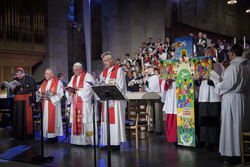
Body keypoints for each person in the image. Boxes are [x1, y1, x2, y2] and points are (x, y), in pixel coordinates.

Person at [215, 44, 250, 162]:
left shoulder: (232, 67)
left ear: (232, 53)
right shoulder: (245, 67)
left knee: (231, 125)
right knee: (240, 124)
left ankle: (232, 153)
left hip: (232, 99)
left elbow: (227, 85)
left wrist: (217, 84)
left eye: (229, 53)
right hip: (242, 99)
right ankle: (241, 150)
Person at [193, 46, 225, 150]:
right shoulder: (200, 66)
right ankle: (202, 140)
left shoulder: (218, 65)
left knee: (212, 119)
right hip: (203, 96)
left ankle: (212, 141)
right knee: (203, 119)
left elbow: (220, 80)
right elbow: (198, 83)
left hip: (213, 96)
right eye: (206, 53)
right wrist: (197, 79)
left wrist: (209, 78)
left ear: (213, 54)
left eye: (209, 53)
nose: (207, 55)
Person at [65, 62, 98, 146]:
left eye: (75, 70)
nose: (74, 72)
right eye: (73, 70)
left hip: (85, 105)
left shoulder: (88, 77)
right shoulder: (73, 77)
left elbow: (89, 91)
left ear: (80, 69)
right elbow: (69, 88)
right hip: (75, 104)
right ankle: (77, 141)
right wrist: (69, 92)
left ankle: (87, 141)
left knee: (86, 122)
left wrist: (77, 91)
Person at [100, 51, 127, 151]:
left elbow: (120, 86)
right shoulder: (104, 72)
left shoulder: (119, 71)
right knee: (106, 121)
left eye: (106, 60)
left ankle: (115, 144)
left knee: (114, 122)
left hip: (115, 102)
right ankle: (108, 143)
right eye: (103, 61)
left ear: (111, 60)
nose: (105, 63)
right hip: (106, 101)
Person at [36, 68, 63, 143]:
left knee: (52, 121)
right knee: (46, 121)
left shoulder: (58, 82)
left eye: (47, 73)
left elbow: (60, 94)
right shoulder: (44, 82)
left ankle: (54, 137)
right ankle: (48, 136)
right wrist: (39, 93)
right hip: (45, 104)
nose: (45, 75)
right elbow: (41, 91)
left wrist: (51, 99)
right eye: (45, 73)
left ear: (52, 75)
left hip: (53, 104)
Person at [10, 67, 37, 140]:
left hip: (26, 101)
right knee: (17, 118)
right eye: (17, 74)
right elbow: (12, 92)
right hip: (17, 101)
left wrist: (33, 102)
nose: (18, 76)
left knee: (27, 118)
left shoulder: (30, 78)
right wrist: (12, 89)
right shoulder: (15, 80)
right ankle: (18, 135)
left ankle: (28, 135)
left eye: (19, 74)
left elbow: (34, 91)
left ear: (23, 73)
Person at [161, 76, 177, 147]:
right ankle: (173, 139)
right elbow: (164, 88)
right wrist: (167, 80)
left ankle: (180, 139)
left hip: (180, 94)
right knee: (171, 118)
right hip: (171, 96)